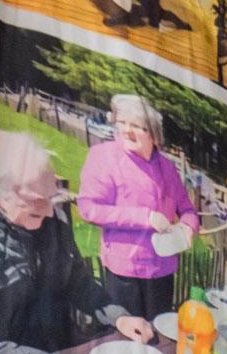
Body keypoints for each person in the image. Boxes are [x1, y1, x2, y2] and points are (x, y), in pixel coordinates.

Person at [0, 134, 157, 354]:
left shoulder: (52, 220)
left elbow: (77, 282)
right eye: (33, 199)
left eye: (51, 197)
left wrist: (118, 316)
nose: (49, 210)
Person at [75, 93, 198, 327]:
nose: (126, 131)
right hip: (124, 273)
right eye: (122, 123)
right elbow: (88, 208)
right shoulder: (104, 156)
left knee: (159, 335)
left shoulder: (168, 168)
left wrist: (188, 227)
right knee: (129, 339)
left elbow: (188, 210)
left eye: (136, 126)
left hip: (162, 270)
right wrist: (145, 217)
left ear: (154, 135)